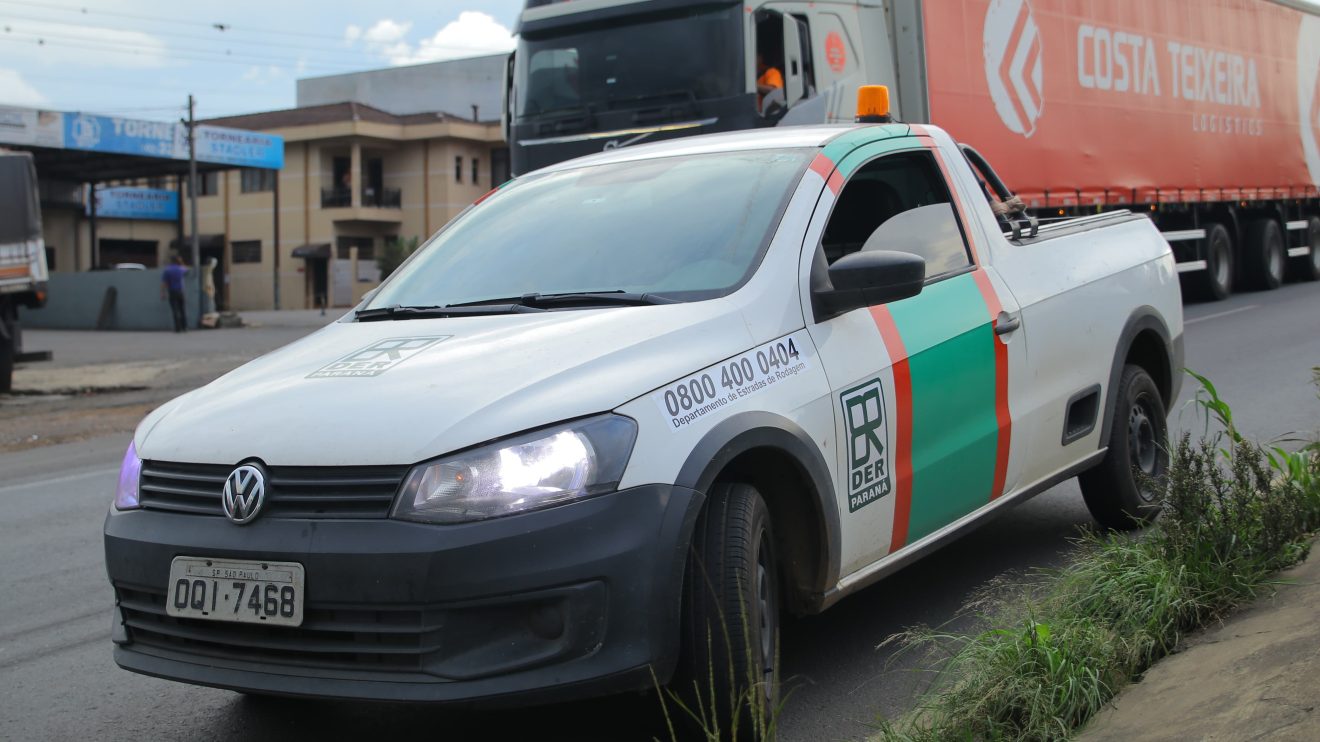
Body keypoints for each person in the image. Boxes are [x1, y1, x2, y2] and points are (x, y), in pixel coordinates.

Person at [161, 254, 188, 332]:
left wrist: (162, 293)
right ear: (178, 261)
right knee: (182, 309)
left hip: (172, 291)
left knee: (175, 310)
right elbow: (187, 270)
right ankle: (184, 327)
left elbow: (164, 283)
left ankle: (177, 328)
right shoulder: (181, 269)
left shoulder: (167, 270)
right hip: (180, 291)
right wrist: (181, 262)